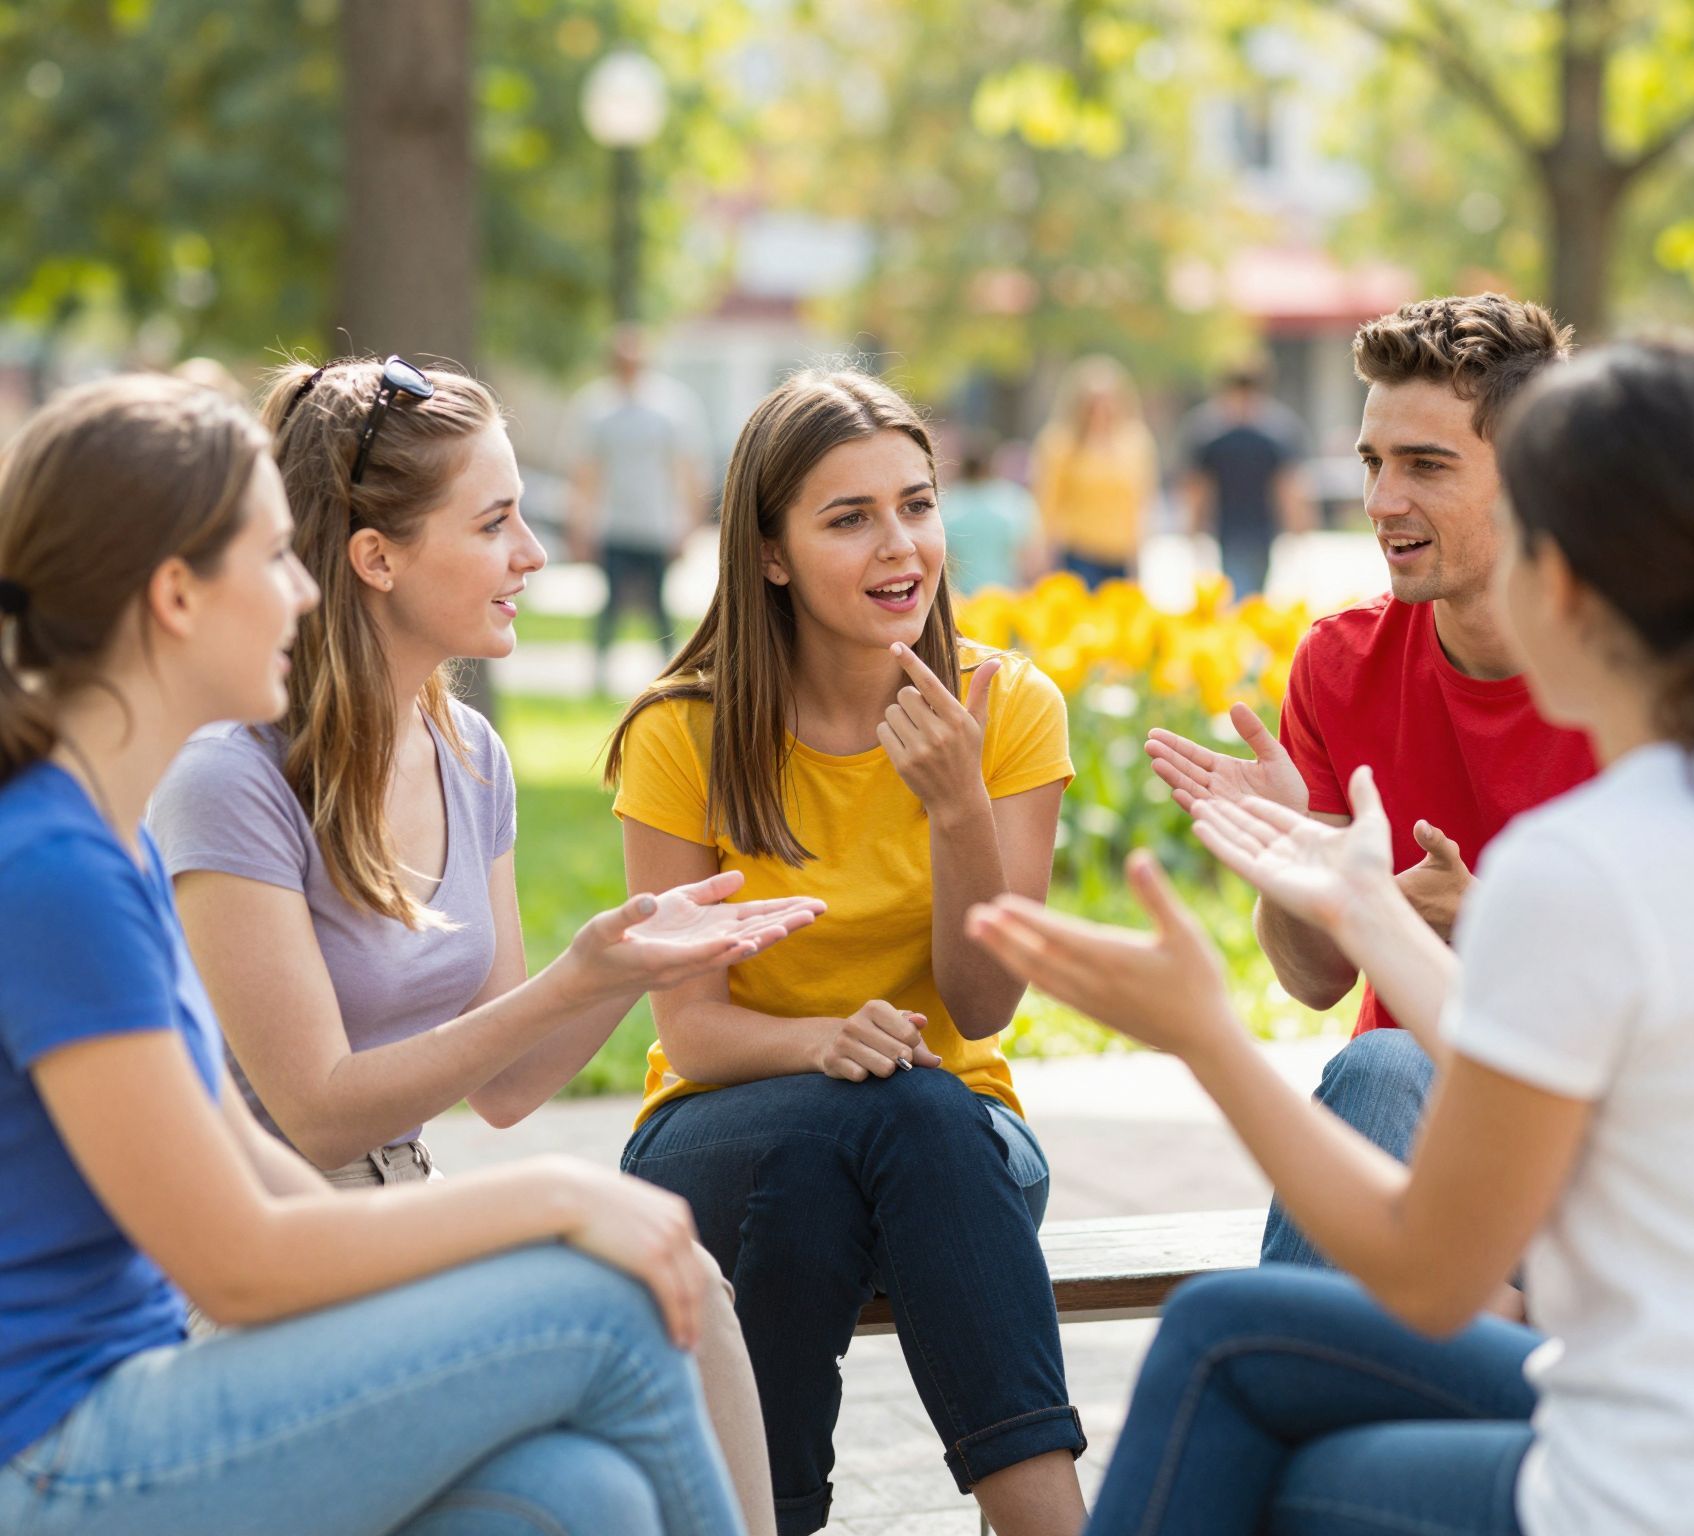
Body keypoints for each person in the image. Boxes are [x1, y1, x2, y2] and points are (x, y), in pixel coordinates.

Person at [972, 338, 1694, 1536]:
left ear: (1556, 579)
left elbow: (1427, 1272)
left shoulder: (1590, 862)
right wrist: (1358, 901)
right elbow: (1554, 1049)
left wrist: (1203, 1034)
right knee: (1231, 1345)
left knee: (1237, 1397)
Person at [0, 374, 748, 1536]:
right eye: (272, 556)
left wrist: (609, 982)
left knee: (579, 1498)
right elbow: (238, 1267)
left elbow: (257, 1161)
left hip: (143, 1402)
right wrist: (552, 1198)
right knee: (612, 1307)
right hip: (59, 1455)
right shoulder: (53, 868)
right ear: (176, 598)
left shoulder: (101, 840)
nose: (304, 585)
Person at [603, 370, 1087, 1536]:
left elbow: (979, 1008)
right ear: (768, 554)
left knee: (882, 1139)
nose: (900, 546)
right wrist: (827, 1041)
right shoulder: (685, 732)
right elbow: (693, 1031)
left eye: (916, 506)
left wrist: (960, 808)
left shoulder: (1006, 709)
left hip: (954, 1136)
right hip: (719, 1128)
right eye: (849, 517)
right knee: (869, 1126)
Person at [1145, 294, 1595, 1268]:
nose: (1381, 499)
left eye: (1424, 466)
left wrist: (1485, 922)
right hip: (1409, 1127)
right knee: (1384, 1062)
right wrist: (1291, 862)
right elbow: (1313, 982)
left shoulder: (1633, 678)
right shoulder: (1338, 664)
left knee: (1385, 1063)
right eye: (1370, 462)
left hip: (1600, 1135)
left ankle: (1303, 1381)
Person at [568, 324, 710, 689]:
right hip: (614, 524)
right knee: (610, 604)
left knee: (660, 608)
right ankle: (598, 677)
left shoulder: (671, 407)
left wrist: (690, 525)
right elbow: (586, 473)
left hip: (657, 525)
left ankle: (671, 674)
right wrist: (580, 526)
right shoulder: (596, 408)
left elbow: (687, 470)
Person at [1175, 362, 1314, 598]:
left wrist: (1297, 525)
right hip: (1233, 531)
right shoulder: (1272, 431)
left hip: (1258, 530)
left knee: (1251, 593)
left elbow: (1287, 485)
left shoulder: (1215, 432)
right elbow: (1197, 486)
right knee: (1243, 593)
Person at [1031, 355, 1156, 589]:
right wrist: (1042, 550)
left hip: (1119, 552)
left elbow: (1141, 502)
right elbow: (1048, 501)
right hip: (1079, 551)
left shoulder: (1135, 443)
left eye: (1107, 400)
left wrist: (1138, 552)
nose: (1101, 409)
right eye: (1093, 402)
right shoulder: (1060, 442)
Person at [943, 428, 1041, 594]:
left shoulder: (947, 503)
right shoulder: (1013, 500)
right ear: (991, 465)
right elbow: (1031, 558)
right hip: (1005, 594)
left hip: (962, 597)